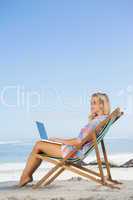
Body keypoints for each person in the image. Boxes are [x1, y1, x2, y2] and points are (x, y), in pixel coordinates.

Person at [19, 92, 110, 187]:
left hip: (74, 153)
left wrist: (59, 140)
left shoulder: (96, 122)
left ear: (102, 105)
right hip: (76, 150)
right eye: (91, 103)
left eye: (94, 103)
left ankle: (25, 177)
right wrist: (60, 141)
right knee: (40, 146)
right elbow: (80, 140)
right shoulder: (102, 120)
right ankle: (26, 176)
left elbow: (78, 142)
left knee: (39, 145)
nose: (91, 106)